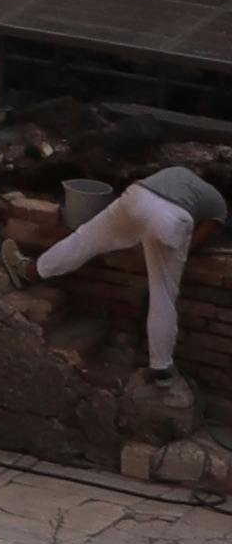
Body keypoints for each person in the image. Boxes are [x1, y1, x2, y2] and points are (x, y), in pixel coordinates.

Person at [30, 151, 230, 382]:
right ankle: (160, 365)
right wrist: (173, 250)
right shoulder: (219, 204)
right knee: (163, 293)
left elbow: (150, 201)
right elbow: (198, 241)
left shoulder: (181, 172)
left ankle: (33, 270)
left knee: (84, 239)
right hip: (172, 220)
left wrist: (139, 237)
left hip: (136, 197)